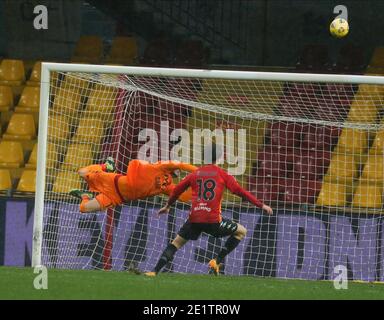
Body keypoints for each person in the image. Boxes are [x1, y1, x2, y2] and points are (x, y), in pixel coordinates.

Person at [144, 144, 273, 277]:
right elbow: (240, 192)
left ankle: (154, 271)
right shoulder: (222, 174)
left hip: (194, 219)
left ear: (203, 158)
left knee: (176, 243)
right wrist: (261, 205)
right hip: (213, 222)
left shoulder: (195, 174)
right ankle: (216, 261)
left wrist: (168, 205)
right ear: (219, 158)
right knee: (241, 232)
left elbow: (177, 190)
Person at [69, 157, 197, 213]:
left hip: (116, 198)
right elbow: (181, 165)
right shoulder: (160, 166)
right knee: (82, 172)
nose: (178, 173)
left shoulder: (166, 186)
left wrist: (196, 187)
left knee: (83, 208)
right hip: (113, 181)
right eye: (177, 172)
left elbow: (183, 197)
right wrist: (199, 172)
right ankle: (107, 166)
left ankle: (85, 195)